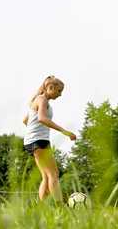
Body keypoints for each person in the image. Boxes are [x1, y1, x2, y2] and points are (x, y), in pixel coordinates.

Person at [22, 75, 77, 205]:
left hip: (33, 141)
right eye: (59, 91)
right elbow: (41, 118)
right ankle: (60, 206)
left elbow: (25, 120)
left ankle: (43, 208)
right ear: (50, 88)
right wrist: (65, 131)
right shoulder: (42, 100)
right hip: (38, 141)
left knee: (46, 176)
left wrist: (33, 131)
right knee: (54, 174)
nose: (60, 94)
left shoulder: (38, 100)